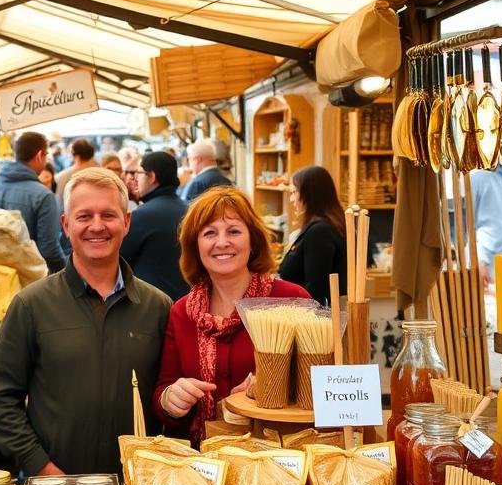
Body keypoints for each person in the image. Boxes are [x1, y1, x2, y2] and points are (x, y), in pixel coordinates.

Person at [0, 168, 172, 476]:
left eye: (108, 215)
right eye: (84, 216)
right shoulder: (31, 305)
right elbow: (0, 398)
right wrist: (39, 465)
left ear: (126, 223)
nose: (97, 226)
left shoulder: (157, 307)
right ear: (66, 225)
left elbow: (167, 397)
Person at [153, 187, 311, 445]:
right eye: (209, 233)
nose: (222, 242)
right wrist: (171, 398)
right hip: (202, 465)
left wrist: (274, 386)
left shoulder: (292, 301)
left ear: (253, 241)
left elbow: (321, 389)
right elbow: (163, 391)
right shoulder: (182, 312)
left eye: (234, 231)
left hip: (276, 463)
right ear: (196, 245)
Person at [0, 131, 65, 272]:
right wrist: (65, 271)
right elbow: (49, 250)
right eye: (46, 155)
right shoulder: (43, 196)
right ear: (39, 156)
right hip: (32, 280)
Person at [120, 151, 190, 300]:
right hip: (188, 303)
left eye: (138, 173)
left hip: (152, 305)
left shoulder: (142, 215)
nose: (135, 179)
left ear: (151, 177)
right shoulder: (191, 210)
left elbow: (119, 259)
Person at [277, 166, 347, 305]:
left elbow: (316, 290)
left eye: (294, 192)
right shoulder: (329, 226)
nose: (291, 199)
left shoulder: (319, 232)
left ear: (310, 194)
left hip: (313, 321)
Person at [54, 138, 97, 204]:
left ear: (75, 156)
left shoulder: (65, 176)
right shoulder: (102, 173)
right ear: (92, 154)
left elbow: (59, 202)